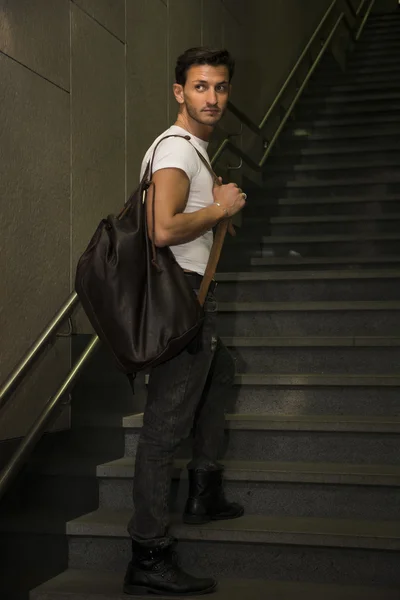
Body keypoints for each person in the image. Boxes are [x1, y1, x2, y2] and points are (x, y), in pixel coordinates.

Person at [124, 47, 247, 596]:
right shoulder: (175, 149)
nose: (212, 98)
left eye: (220, 87)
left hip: (197, 301)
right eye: (201, 87)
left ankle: (203, 491)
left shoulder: (195, 151)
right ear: (180, 92)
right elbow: (162, 229)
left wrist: (217, 214)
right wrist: (220, 209)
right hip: (181, 308)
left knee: (220, 377)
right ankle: (148, 552)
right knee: (160, 432)